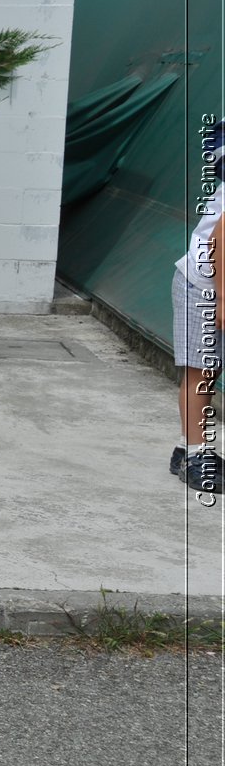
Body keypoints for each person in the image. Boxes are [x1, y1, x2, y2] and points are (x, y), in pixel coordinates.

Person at [172, 121, 223, 495]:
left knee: (209, 370)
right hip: (203, 286)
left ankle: (185, 448)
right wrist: (221, 299)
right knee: (200, 372)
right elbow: (221, 242)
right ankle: (194, 456)